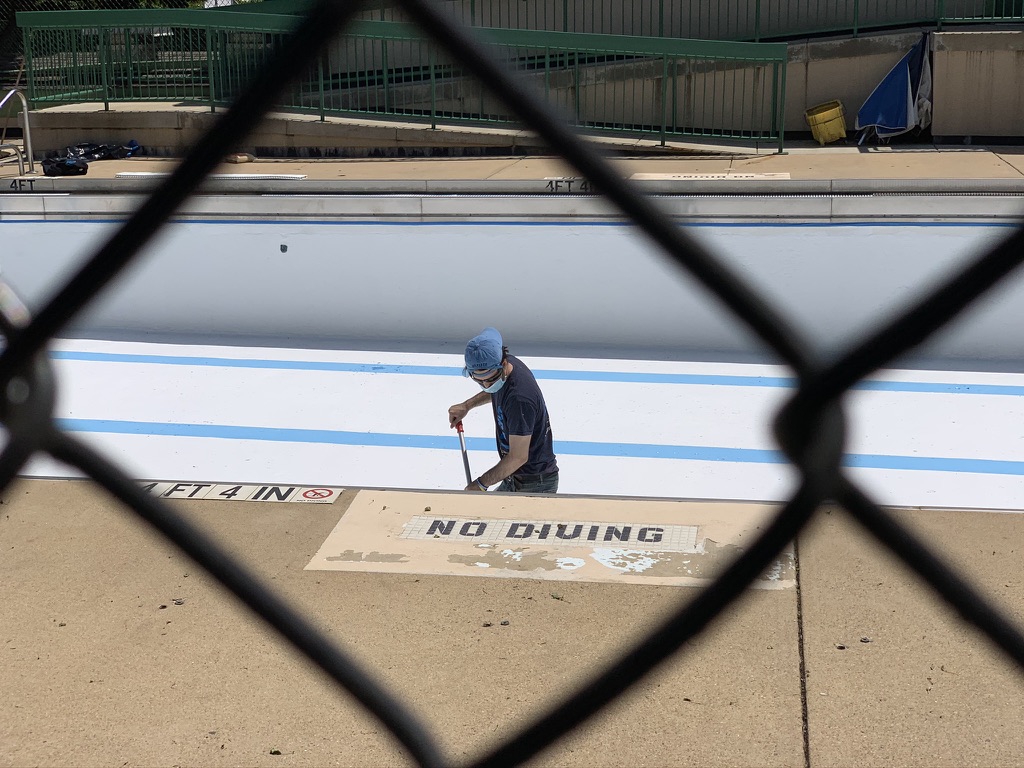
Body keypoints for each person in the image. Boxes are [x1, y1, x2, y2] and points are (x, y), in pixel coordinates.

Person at [448, 327, 558, 493]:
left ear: (504, 364)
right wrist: (467, 405)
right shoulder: (504, 369)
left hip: (534, 483)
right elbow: (494, 389)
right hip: (512, 476)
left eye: (491, 379)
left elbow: (518, 457)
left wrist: (480, 484)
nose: (487, 385)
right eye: (479, 380)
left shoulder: (520, 399)